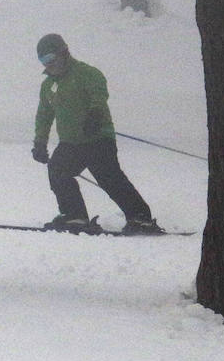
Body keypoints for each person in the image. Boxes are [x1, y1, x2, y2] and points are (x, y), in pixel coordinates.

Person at [31, 34, 162, 234]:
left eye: (50, 58)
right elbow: (44, 115)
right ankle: (75, 216)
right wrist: (40, 142)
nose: (48, 65)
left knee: (109, 177)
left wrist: (94, 116)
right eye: (43, 61)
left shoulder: (87, 73)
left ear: (63, 53)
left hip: (97, 139)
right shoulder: (48, 86)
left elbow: (99, 96)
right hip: (71, 142)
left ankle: (140, 217)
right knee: (58, 170)